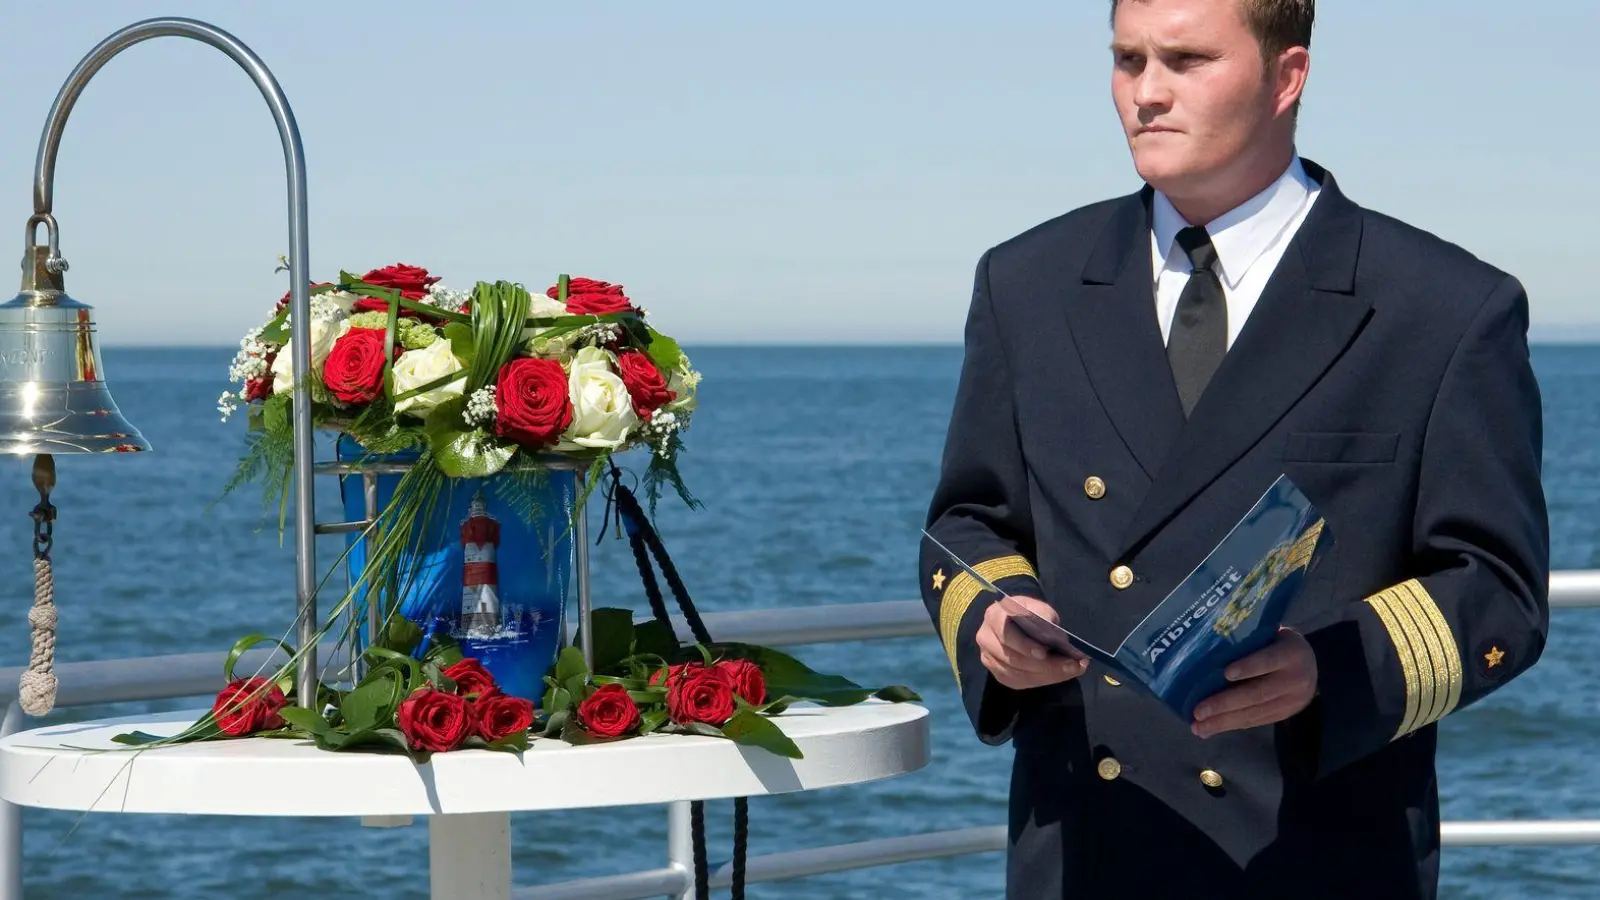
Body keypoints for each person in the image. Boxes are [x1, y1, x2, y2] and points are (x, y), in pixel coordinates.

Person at [917, 1, 1550, 898]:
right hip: (1086, 852)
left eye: (1185, 60)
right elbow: (965, 522)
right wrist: (999, 614)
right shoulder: (1028, 283)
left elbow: (1498, 589)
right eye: (1128, 60)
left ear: (1287, 77)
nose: (1147, 93)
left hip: (1313, 856)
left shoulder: (1441, 309)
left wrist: (1325, 669)